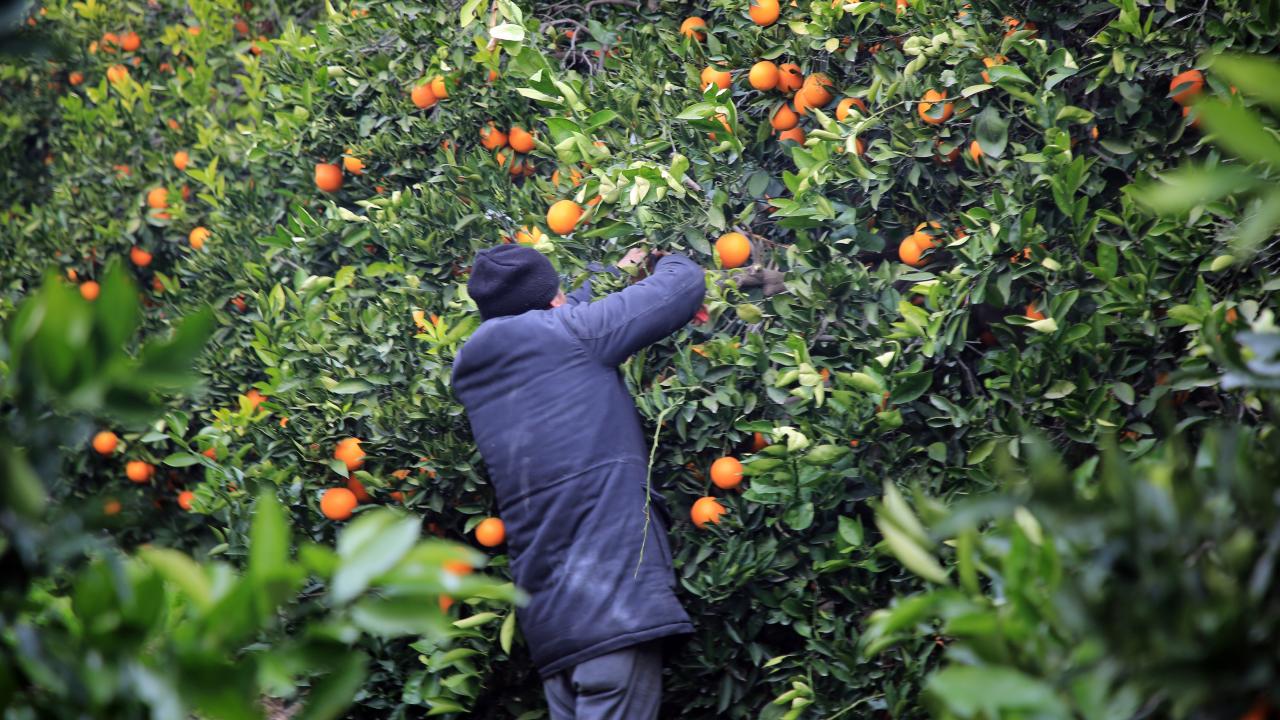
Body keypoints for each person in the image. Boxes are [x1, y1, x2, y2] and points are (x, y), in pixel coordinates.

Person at [451, 243, 707, 720]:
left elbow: (563, 317)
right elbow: (682, 287)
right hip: (613, 610)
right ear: (553, 301)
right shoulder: (573, 334)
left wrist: (613, 271)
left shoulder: (477, 371)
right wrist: (668, 253)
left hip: (555, 633)